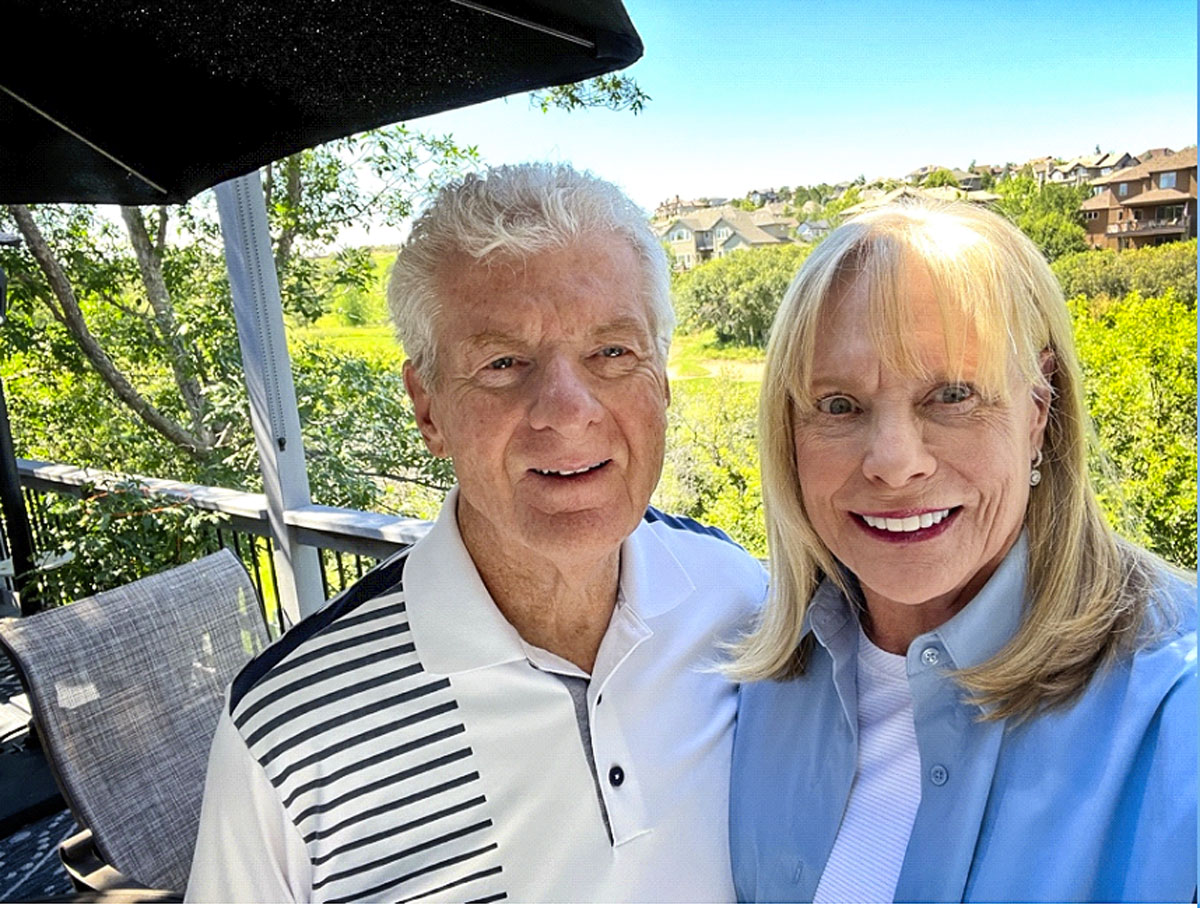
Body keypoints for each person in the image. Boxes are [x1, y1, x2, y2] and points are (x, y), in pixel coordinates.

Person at [185, 163, 766, 903]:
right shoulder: (293, 734)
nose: (565, 409)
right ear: (428, 408)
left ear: (663, 383)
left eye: (612, 352)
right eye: (503, 363)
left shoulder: (741, 603)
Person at [728, 201, 1196, 903]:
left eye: (951, 395)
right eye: (839, 405)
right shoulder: (751, 674)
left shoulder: (1173, 704)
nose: (893, 463)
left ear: (1040, 409)